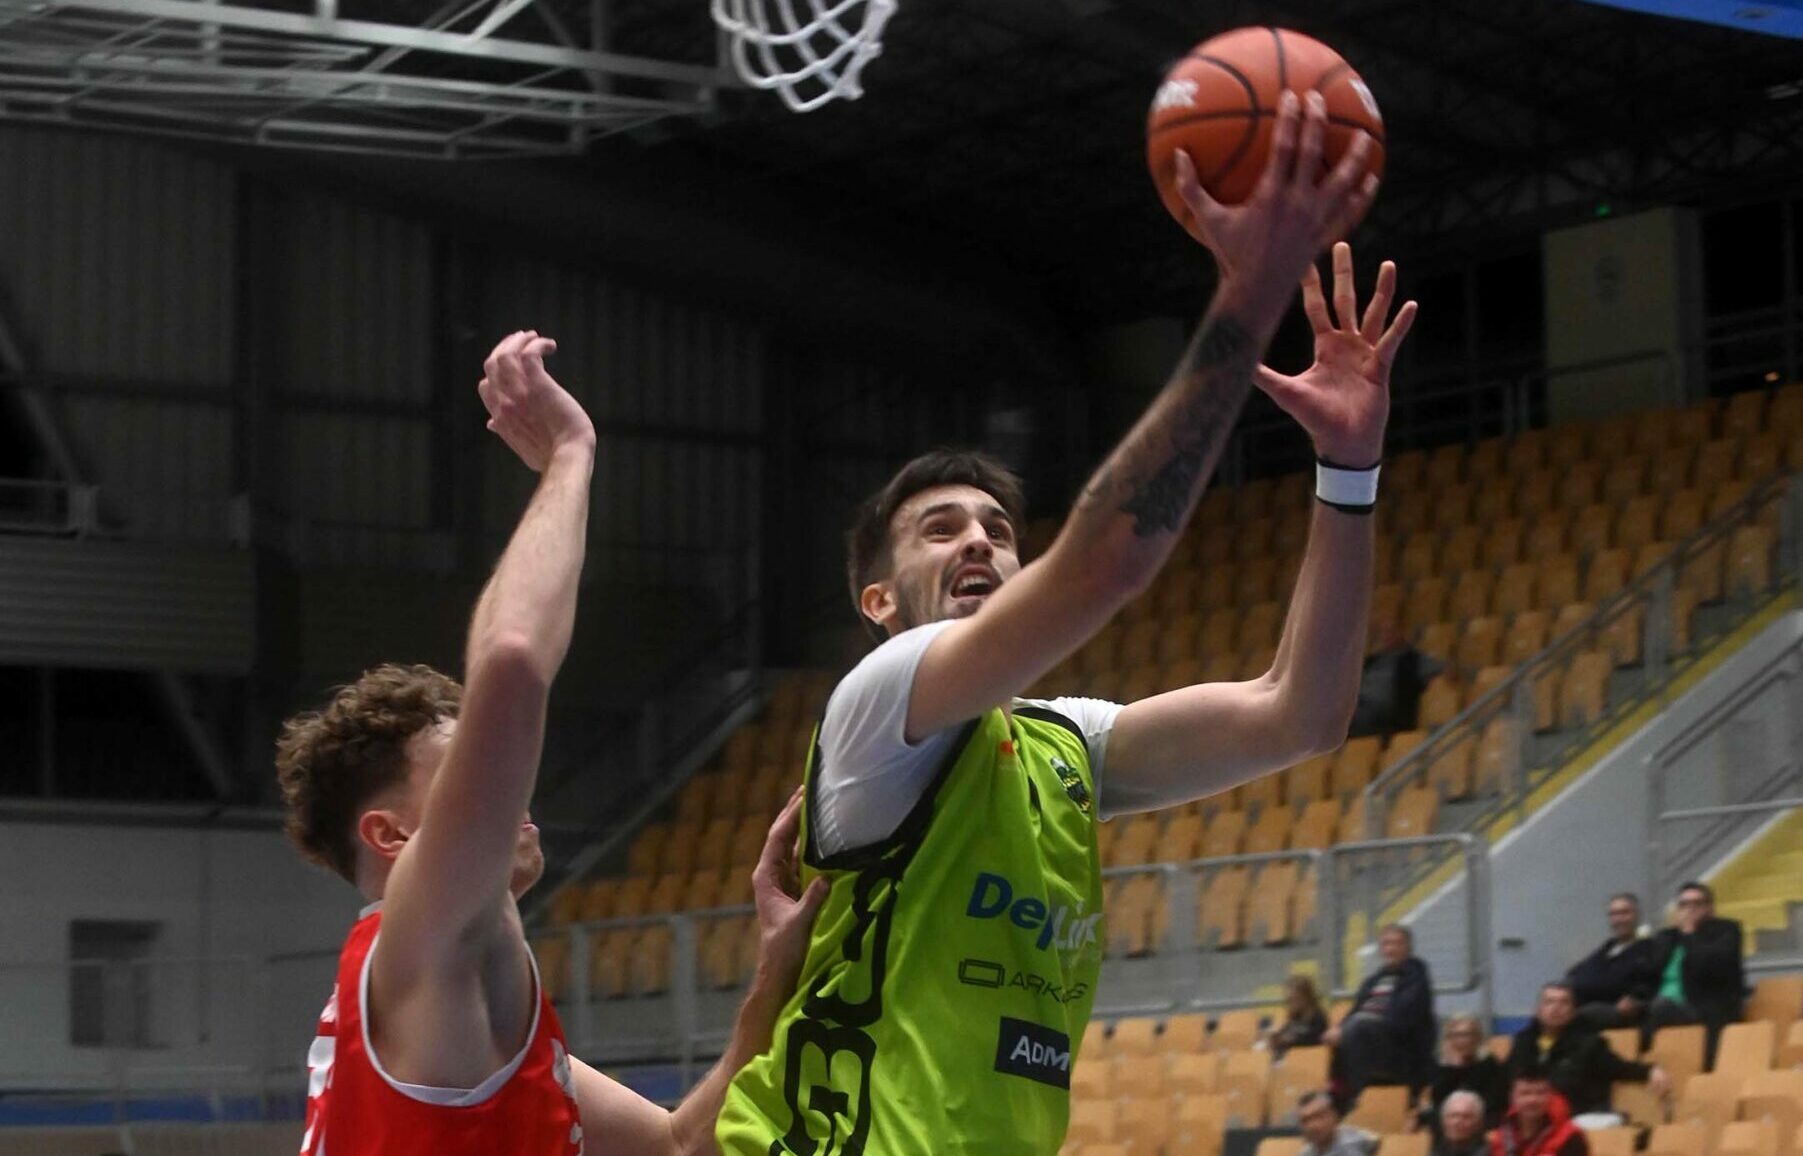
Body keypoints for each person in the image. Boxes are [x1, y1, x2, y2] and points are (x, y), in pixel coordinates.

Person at [716, 91, 1412, 1156]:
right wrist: (1249, 291)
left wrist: (1349, 471)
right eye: (940, 530)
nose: (980, 543)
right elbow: (1106, 564)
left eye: (998, 527)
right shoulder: (875, 713)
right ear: (878, 601)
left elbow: (1300, 715)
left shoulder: (1065, 744)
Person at [277, 332, 826, 1156]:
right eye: (458, 770)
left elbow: (681, 1144)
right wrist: (570, 456)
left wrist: (774, 969)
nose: (505, 788)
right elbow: (511, 661)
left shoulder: (466, 1001)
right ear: (391, 836)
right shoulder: (419, 938)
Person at [1504, 982, 1667, 1127]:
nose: (1556, 1008)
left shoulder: (1590, 1043)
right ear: (1539, 1010)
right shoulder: (1523, 1042)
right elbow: (1507, 1079)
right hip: (1529, 1119)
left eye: (1564, 1003)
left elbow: (1619, 1068)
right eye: (1549, 1002)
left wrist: (1649, 1070)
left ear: (1573, 1011)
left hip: (1575, 1117)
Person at [1327, 924, 1436, 1102]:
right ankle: (1333, 1095)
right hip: (1363, 1037)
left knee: (1358, 1027)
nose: (1390, 949)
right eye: (1386, 944)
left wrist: (1353, 1026)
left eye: (1396, 944)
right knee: (1332, 1036)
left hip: (1400, 1047)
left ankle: (1355, 1098)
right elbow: (1355, 1011)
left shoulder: (1416, 977)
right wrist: (1338, 1029)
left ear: (1408, 948)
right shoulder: (1373, 981)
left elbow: (1401, 1019)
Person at [1644, 881, 1745, 1066]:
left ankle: (1652, 1065)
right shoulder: (1667, 936)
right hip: (1661, 1004)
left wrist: (1690, 934)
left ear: (1710, 908)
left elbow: (1709, 968)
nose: (1690, 909)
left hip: (1705, 1008)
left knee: (1660, 1007)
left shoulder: (1727, 931)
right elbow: (1650, 970)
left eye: (1697, 904)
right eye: (1684, 904)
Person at [1565, 893, 1659, 1029]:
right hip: (1588, 1006)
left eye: (1624, 913)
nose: (1619, 919)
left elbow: (1646, 983)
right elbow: (1574, 975)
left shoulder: (1649, 949)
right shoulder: (1606, 949)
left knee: (1585, 1014)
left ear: (1637, 915)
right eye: (1613, 914)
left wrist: (1635, 1000)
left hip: (1620, 1014)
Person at [1420, 1015, 1505, 1133]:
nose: (1461, 1040)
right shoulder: (1441, 1066)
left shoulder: (1489, 1063)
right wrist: (1453, 1069)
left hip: (1481, 1119)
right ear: (1448, 1039)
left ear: (1477, 1037)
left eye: (1466, 1034)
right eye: (1455, 1035)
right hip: (1449, 1121)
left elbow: (1493, 1101)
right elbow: (1438, 1099)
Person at [1491, 1069, 1588, 1156]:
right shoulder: (1501, 1136)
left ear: (1550, 1096)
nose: (1533, 1100)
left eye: (1540, 1093)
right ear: (1512, 1098)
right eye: (1525, 1093)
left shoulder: (1569, 1136)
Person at [1299, 1089, 1382, 1156]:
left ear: (1334, 1116)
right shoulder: (1308, 1152)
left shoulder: (1354, 1145)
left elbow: (1373, 1140)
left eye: (1318, 1117)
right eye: (1305, 1120)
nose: (1312, 1126)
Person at [1268, 975, 1331, 1058]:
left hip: (1308, 1061)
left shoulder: (1318, 1018)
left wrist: (1289, 1040)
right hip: (1286, 1060)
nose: (1290, 1004)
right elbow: (1281, 1037)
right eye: (1288, 1000)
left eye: (1294, 999)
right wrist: (1275, 1039)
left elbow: (1315, 1042)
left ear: (1306, 997)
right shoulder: (1294, 1018)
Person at [1433, 1091, 1491, 1156]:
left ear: (1478, 1123)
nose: (1457, 1122)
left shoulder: (1491, 1152)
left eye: (1466, 1117)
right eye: (1453, 1116)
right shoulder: (1437, 1151)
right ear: (1443, 1120)